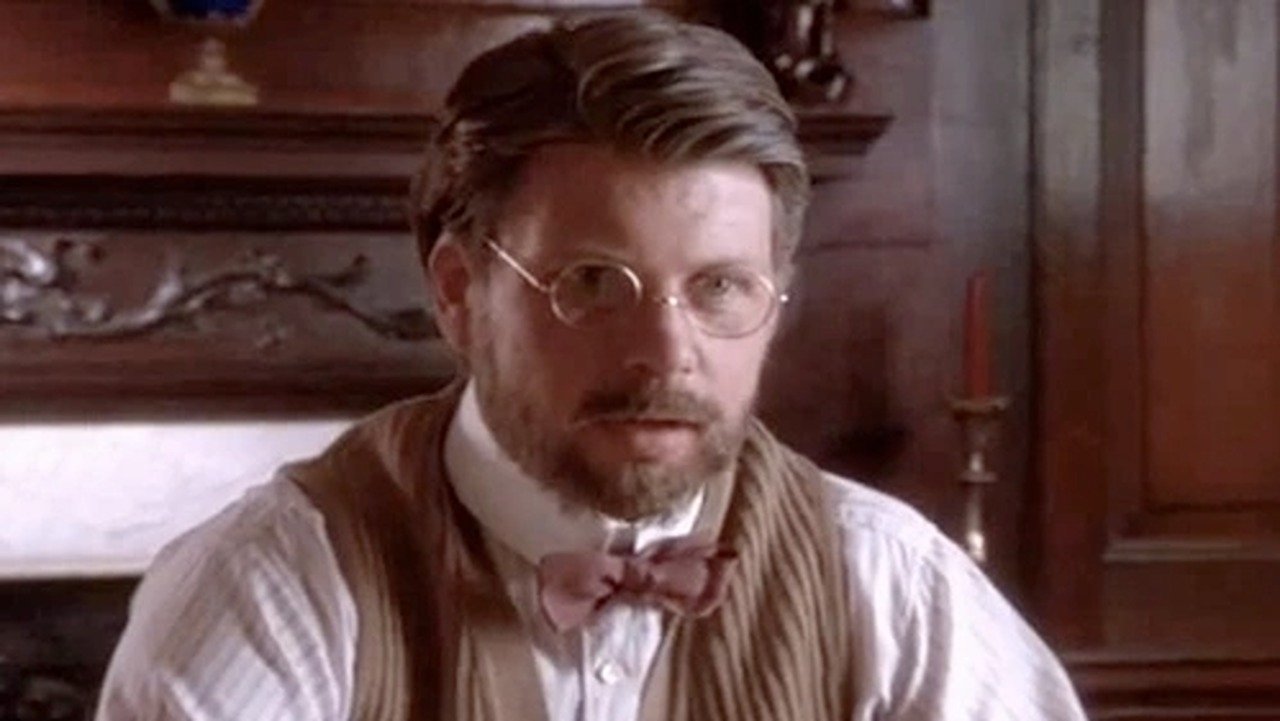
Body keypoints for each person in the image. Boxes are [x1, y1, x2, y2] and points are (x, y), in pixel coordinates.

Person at [96, 11, 1087, 721]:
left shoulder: (890, 584)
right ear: (458, 292)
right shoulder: (273, 587)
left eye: (720, 287)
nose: (667, 352)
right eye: (595, 282)